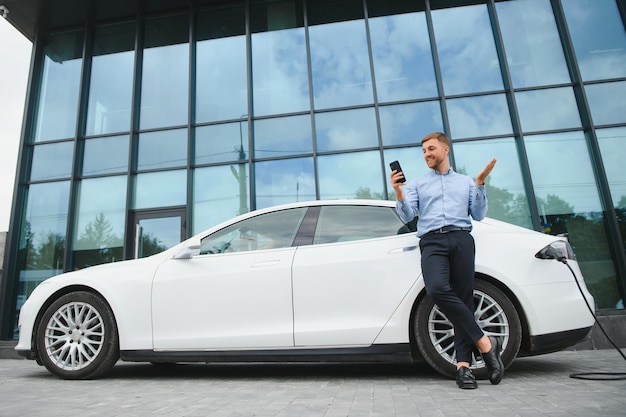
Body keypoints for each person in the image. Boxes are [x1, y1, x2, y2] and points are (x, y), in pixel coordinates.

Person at [391, 131, 501, 389]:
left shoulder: (465, 183)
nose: (427, 154)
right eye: (424, 151)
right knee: (437, 289)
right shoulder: (417, 184)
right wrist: (399, 191)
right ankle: (486, 343)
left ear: (445, 150)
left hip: (462, 240)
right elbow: (407, 215)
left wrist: (481, 183)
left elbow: (479, 214)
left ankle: (463, 367)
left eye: (431, 149)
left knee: (463, 301)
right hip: (432, 242)